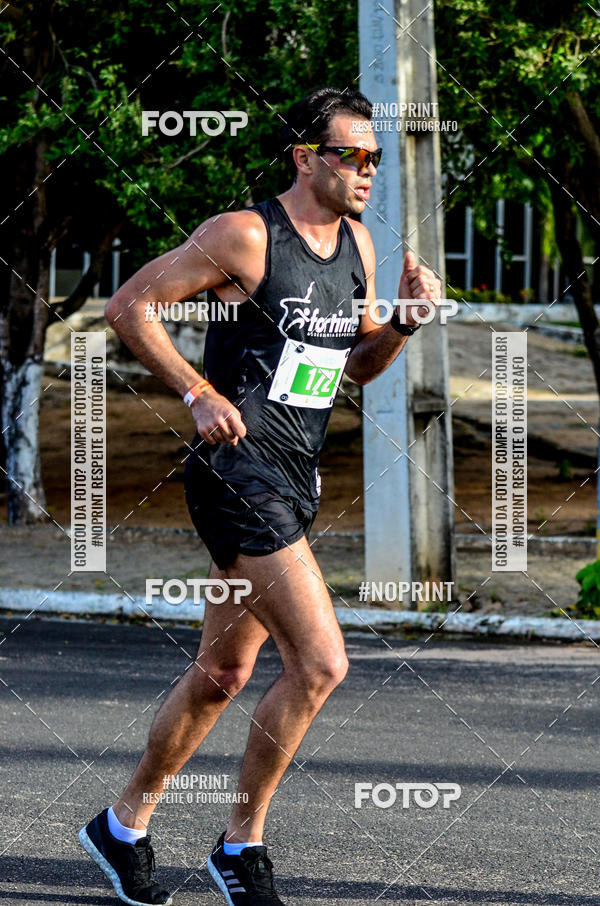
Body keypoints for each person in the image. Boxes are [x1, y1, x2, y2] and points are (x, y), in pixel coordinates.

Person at [78, 86, 441, 906]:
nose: (367, 171)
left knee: (221, 671)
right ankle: (241, 846)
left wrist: (405, 325)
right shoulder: (244, 236)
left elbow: (354, 367)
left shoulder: (357, 246)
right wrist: (197, 390)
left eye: (375, 159)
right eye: (351, 155)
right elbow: (130, 306)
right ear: (305, 157)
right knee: (320, 662)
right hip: (234, 473)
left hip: (294, 477)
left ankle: (122, 823)